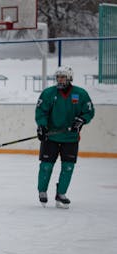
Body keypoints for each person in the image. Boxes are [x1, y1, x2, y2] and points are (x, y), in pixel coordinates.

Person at [35, 65, 94, 208]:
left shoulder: (80, 94)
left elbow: (89, 111)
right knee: (46, 166)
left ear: (69, 78)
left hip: (71, 138)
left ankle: (61, 194)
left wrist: (81, 120)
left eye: (63, 77)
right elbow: (41, 112)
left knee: (68, 167)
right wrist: (42, 126)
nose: (60, 80)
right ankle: (42, 190)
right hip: (51, 137)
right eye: (58, 77)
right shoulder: (49, 93)